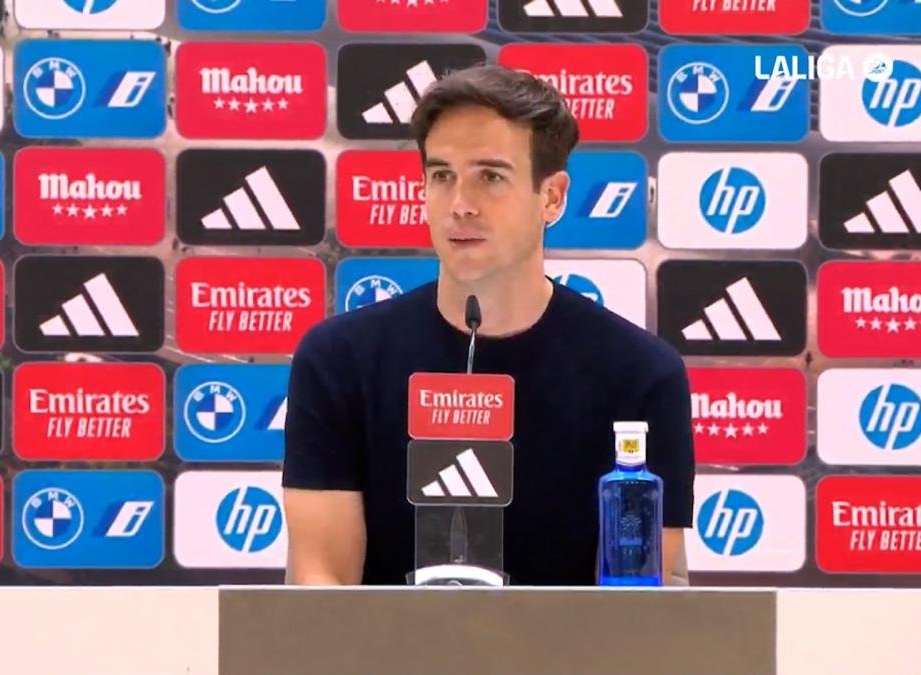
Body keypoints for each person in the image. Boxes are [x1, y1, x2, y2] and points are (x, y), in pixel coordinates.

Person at [282, 63, 696, 586]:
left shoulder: (641, 375)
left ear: (552, 197)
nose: (460, 205)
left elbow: (643, 606)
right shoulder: (339, 360)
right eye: (442, 176)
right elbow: (322, 592)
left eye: (490, 177)